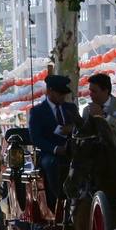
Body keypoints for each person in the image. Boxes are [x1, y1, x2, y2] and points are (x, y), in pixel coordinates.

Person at [27, 74, 80, 209]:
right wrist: (55, 149)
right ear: (49, 91)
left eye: (64, 94)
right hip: (49, 153)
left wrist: (72, 129)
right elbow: (36, 138)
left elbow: (81, 126)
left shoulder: (71, 108)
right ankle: (57, 202)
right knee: (52, 165)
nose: (62, 97)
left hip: (73, 150)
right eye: (60, 93)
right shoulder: (37, 112)